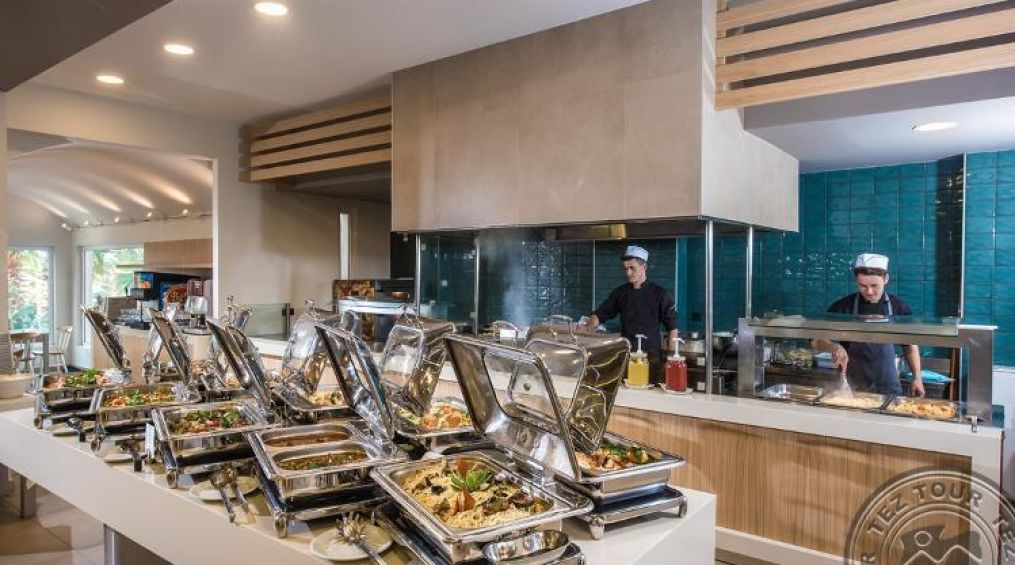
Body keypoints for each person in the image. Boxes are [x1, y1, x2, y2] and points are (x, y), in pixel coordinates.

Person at [815, 253, 924, 396]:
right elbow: (815, 339)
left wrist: (917, 377)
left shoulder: (899, 308)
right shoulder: (843, 307)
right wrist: (833, 347)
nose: (869, 291)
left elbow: (910, 346)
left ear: (886, 279)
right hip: (852, 389)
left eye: (874, 285)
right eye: (863, 286)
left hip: (888, 388)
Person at [582, 245, 678, 384]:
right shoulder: (621, 293)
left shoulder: (661, 294)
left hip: (651, 358)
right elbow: (600, 314)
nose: (628, 273)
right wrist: (588, 324)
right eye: (626, 269)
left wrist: (671, 359)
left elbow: (672, 329)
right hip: (627, 357)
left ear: (644, 267)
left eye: (632, 268)